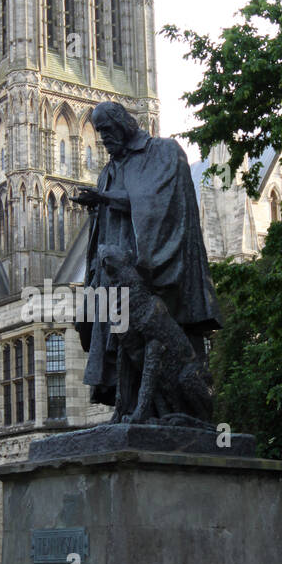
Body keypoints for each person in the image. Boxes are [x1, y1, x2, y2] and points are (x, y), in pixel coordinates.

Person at [72, 101, 221, 414]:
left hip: (151, 272)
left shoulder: (164, 152)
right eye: (99, 132)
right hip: (113, 273)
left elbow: (155, 205)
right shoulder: (109, 170)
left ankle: (164, 411)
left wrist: (104, 198)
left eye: (107, 130)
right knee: (121, 338)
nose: (103, 138)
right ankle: (127, 409)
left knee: (154, 339)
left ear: (124, 124)